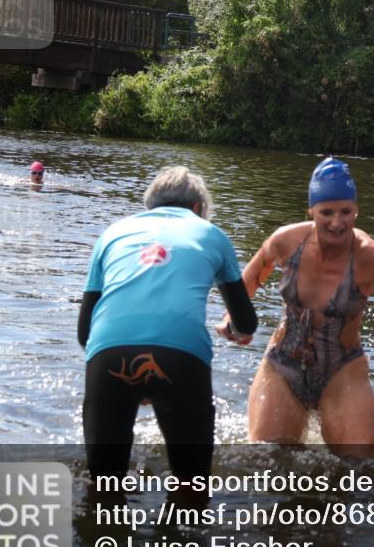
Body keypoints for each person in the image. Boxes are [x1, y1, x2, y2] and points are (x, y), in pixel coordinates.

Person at [217, 157, 374, 454]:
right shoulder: (285, 241)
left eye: (346, 212)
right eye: (327, 212)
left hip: (342, 370)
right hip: (283, 364)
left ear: (356, 211)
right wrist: (230, 317)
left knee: (363, 464)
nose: (337, 222)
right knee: (267, 458)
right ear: (311, 211)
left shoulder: (370, 255)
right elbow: (247, 281)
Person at [78, 165, 257, 481]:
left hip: (108, 352)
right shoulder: (213, 235)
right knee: (192, 483)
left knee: (103, 483)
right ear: (198, 208)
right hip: (181, 356)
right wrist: (236, 331)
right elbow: (246, 320)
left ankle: (101, 526)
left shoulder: (112, 233)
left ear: (149, 207)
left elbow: (85, 332)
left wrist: (135, 378)